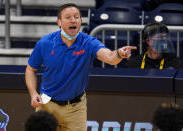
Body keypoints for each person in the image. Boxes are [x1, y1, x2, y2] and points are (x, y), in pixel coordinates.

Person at [25, 3, 136, 131]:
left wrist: (119, 53)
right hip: (46, 106)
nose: (73, 20)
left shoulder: (88, 42)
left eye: (76, 17)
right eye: (68, 17)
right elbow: (30, 70)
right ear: (59, 22)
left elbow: (110, 58)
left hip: (75, 108)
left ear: (81, 21)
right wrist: (33, 94)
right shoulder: (45, 43)